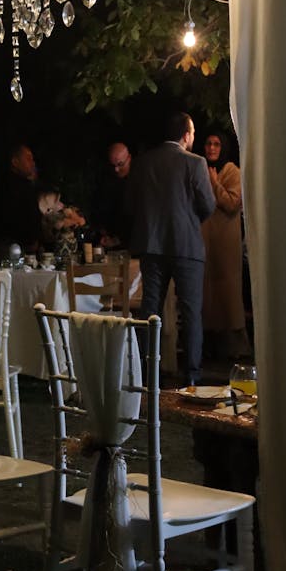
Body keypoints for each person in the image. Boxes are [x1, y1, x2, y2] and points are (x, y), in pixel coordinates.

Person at [127, 112, 216, 384]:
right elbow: (208, 205)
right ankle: (191, 377)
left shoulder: (143, 163)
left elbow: (132, 204)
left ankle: (147, 374)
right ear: (185, 135)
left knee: (150, 310)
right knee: (190, 313)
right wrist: (189, 222)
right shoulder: (195, 163)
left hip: (152, 246)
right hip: (186, 246)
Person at [201, 130, 252, 359]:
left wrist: (214, 184)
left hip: (226, 245)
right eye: (209, 144)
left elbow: (232, 203)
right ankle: (211, 348)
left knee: (228, 297)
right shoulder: (201, 169)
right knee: (209, 297)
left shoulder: (232, 171)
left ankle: (236, 349)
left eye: (217, 144)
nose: (212, 148)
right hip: (206, 244)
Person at [0, 142, 41, 253]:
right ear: (15, 162)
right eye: (28, 159)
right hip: (14, 247)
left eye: (32, 159)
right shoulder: (9, 186)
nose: (32, 163)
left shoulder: (26, 185)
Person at [97, 140, 133, 248]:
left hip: (132, 244)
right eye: (113, 165)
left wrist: (119, 240)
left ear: (129, 158)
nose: (116, 169)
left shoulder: (138, 182)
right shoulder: (107, 179)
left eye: (120, 164)